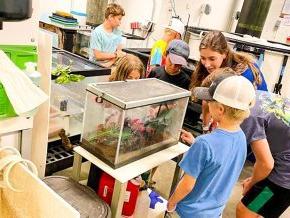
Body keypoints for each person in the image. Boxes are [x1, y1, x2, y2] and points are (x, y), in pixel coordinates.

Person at [167, 73, 256, 217]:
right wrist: (195, 143)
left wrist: (171, 204)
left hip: (188, 212)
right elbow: (220, 158)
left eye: (209, 102)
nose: (207, 104)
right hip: (214, 212)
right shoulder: (241, 138)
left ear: (220, 109)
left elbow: (187, 185)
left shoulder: (205, 144)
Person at [190, 31, 268, 132]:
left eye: (212, 58)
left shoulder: (243, 76)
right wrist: (205, 129)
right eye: (203, 58)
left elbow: (235, 115)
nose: (207, 64)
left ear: (225, 54)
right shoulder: (212, 70)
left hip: (255, 117)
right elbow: (207, 101)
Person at [87, 54, 144, 190]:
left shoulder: (139, 90)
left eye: (137, 78)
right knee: (98, 173)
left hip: (124, 138)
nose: (134, 82)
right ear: (120, 75)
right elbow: (96, 107)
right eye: (129, 78)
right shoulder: (108, 88)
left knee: (115, 180)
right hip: (105, 137)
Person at [236, 91, 290, 218]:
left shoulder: (250, 116)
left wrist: (252, 183)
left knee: (245, 211)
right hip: (282, 162)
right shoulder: (257, 95)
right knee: (259, 210)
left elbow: (266, 164)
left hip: (285, 176)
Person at [89, 3, 126, 67]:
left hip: (112, 64)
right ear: (111, 17)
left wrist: (111, 62)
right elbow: (98, 56)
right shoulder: (97, 32)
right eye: (119, 19)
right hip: (96, 66)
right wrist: (116, 55)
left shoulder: (118, 32)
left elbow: (119, 52)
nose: (120, 23)